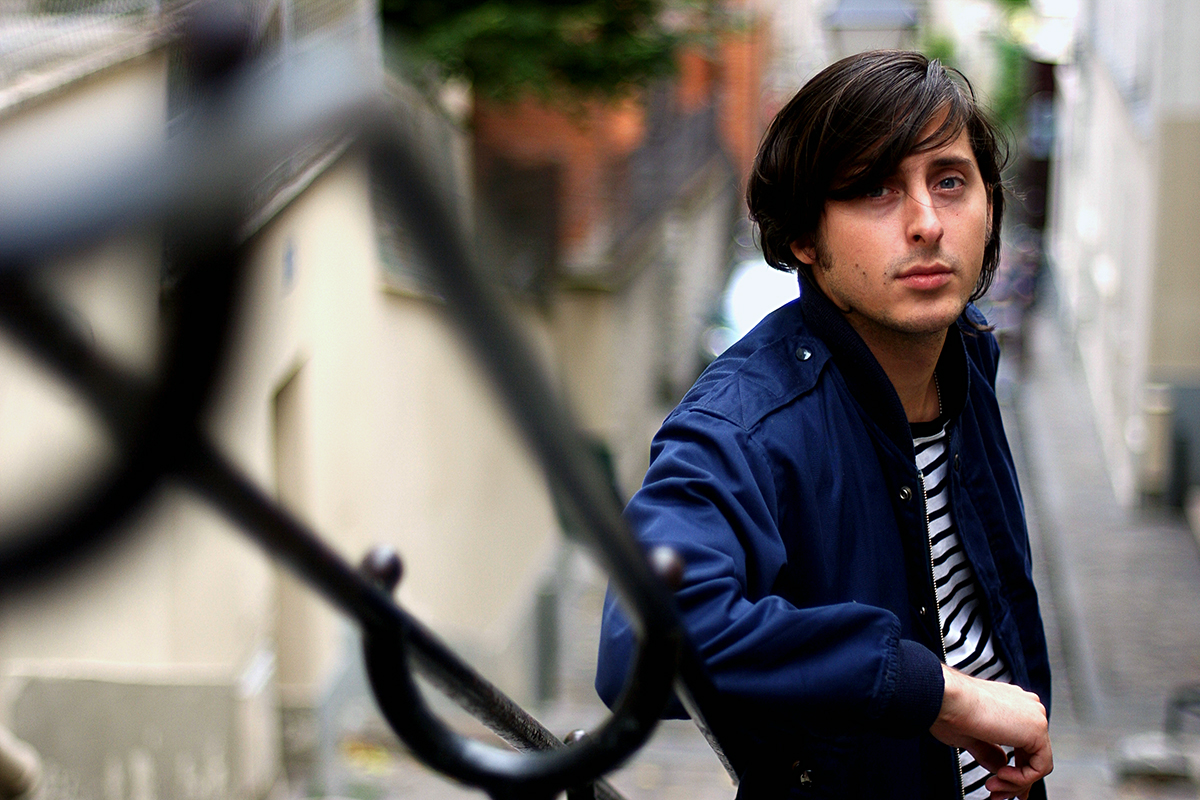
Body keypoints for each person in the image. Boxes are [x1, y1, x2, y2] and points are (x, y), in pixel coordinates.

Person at [595, 51, 1052, 800]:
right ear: (806, 238)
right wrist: (934, 690)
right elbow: (641, 648)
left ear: (990, 204)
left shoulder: (967, 360)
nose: (927, 224)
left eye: (949, 180)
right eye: (874, 190)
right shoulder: (742, 425)